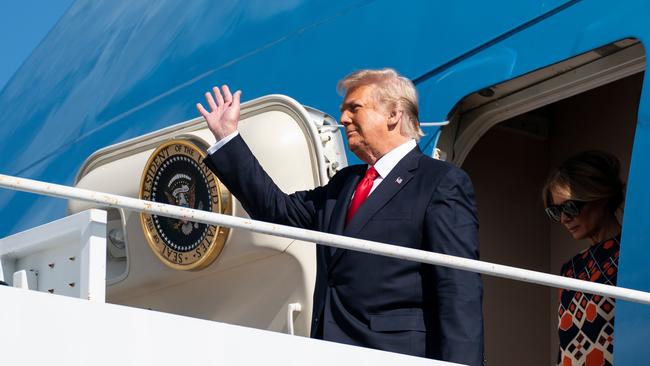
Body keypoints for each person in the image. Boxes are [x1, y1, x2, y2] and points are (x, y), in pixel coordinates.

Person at [197, 68, 484, 364]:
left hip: (395, 353)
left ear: (393, 115)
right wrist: (227, 138)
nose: (344, 119)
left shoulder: (440, 181)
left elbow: (458, 285)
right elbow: (276, 210)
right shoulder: (344, 184)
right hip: (331, 351)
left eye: (354, 108)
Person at [542, 150, 624, 366]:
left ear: (599, 197)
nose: (564, 219)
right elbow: (565, 348)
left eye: (571, 207)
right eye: (556, 212)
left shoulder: (633, 256)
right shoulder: (570, 269)